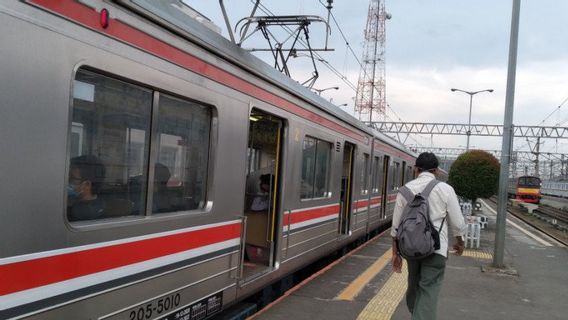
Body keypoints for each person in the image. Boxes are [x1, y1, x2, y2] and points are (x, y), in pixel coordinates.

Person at [391, 152, 466, 320]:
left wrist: (395, 254)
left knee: (414, 286)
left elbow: (396, 227)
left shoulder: (404, 190)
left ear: (416, 169)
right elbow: (458, 222)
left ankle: (416, 314)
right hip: (436, 250)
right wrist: (460, 242)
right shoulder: (445, 189)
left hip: (411, 248)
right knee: (429, 289)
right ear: (437, 171)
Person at [67, 155, 106, 221]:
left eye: (72, 178)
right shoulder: (99, 202)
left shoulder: (79, 212)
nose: (67, 180)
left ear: (87, 184)